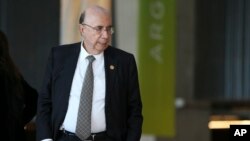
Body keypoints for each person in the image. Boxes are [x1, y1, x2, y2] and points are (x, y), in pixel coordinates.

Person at [36, 5, 143, 141]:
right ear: (82, 29)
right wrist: (46, 138)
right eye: (99, 28)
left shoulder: (124, 62)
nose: (105, 35)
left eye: (109, 29)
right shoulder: (59, 56)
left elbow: (134, 111)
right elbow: (45, 101)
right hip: (65, 137)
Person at [0, 30, 38, 141]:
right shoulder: (11, 73)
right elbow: (34, 98)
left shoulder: (8, 74)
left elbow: (34, 98)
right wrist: (17, 122)